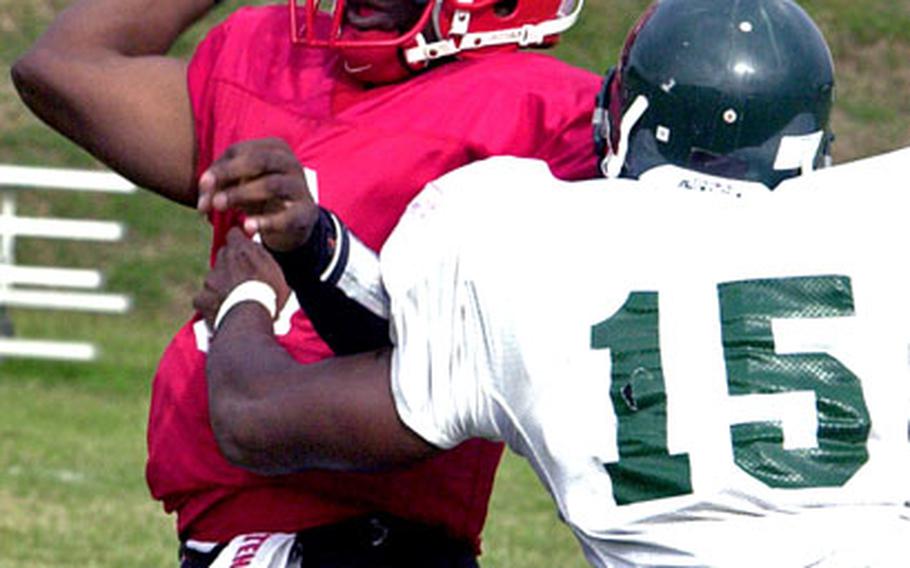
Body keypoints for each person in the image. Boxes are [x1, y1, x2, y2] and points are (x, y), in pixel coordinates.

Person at [195, 0, 910, 566]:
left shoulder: (524, 240)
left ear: (628, 116)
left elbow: (254, 416)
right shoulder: (881, 218)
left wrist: (247, 301)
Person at [10, 0, 601, 566]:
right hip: (223, 527)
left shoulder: (550, 114)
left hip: (379, 532)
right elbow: (60, 67)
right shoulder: (273, 56)